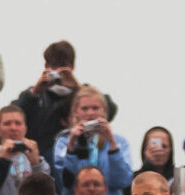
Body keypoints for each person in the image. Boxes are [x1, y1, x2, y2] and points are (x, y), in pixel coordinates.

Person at [13, 40, 117, 168]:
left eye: (63, 66)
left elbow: (110, 109)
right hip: (41, 160)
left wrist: (78, 88)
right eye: (54, 66)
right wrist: (35, 92)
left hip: (79, 160)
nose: (58, 71)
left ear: (72, 67)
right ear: (46, 66)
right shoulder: (36, 96)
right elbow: (11, 115)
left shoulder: (84, 95)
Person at [53, 85, 132, 195]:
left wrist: (112, 144)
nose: (90, 113)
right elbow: (65, 182)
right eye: (85, 108)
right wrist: (72, 145)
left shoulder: (119, 142)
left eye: (95, 108)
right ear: (75, 111)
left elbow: (122, 181)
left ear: (104, 110)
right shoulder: (64, 141)